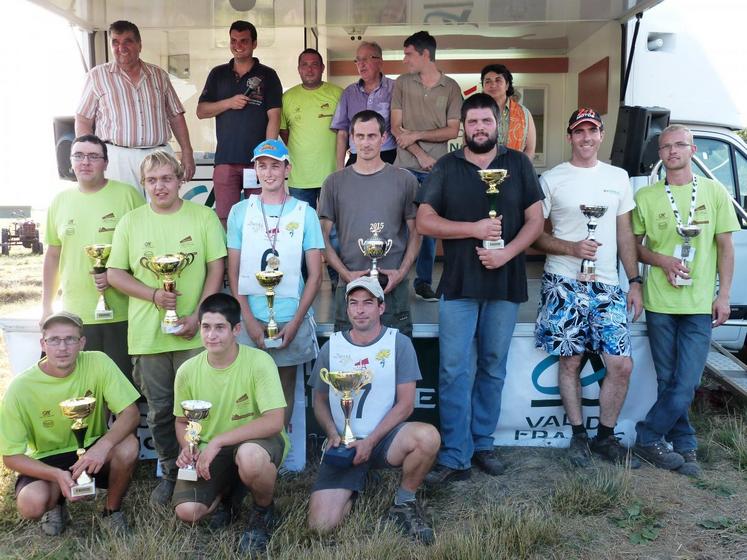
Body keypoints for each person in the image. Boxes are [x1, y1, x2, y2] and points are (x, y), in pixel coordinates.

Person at [416, 93, 544, 484]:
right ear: (464, 128)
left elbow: (535, 221)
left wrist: (507, 254)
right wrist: (471, 229)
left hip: (505, 282)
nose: (480, 128)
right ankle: (456, 454)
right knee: (455, 370)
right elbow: (424, 221)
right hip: (458, 284)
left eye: (486, 122)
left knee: (492, 367)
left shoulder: (518, 163)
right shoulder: (446, 166)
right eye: (472, 123)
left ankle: (483, 443)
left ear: (496, 125)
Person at [107, 150, 226, 506]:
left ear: (180, 180)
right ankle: (171, 472)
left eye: (166, 178)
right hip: (148, 334)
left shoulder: (203, 216)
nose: (160, 186)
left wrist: (200, 317)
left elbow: (215, 270)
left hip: (195, 331)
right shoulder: (130, 222)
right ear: (144, 184)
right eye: (152, 180)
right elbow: (114, 274)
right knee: (160, 410)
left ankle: (204, 470)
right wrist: (154, 295)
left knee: (197, 406)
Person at [532, 108, 643, 467]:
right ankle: (579, 436)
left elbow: (625, 233)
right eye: (579, 131)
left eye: (592, 131)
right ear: (569, 137)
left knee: (620, 364)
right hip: (563, 282)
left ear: (601, 135)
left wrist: (635, 280)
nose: (586, 138)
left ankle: (606, 438)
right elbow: (535, 234)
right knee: (570, 361)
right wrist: (572, 248)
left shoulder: (619, 177)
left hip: (608, 285)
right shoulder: (551, 179)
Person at [632, 124, 739, 476]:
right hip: (660, 303)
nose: (672, 151)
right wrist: (661, 261)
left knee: (688, 381)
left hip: (698, 304)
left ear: (692, 150)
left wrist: (723, 296)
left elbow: (725, 247)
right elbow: (632, 246)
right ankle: (685, 445)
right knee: (667, 380)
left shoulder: (714, 191)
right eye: (666, 147)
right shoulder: (647, 197)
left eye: (680, 145)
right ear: (660, 154)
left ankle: (648, 435)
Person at [307, 276, 439, 544]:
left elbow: (405, 404)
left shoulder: (398, 343)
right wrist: (333, 433)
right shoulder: (332, 346)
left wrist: (371, 442)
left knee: (427, 437)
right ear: (347, 309)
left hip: (383, 440)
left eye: (368, 303)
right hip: (344, 444)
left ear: (381, 308)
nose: (360, 309)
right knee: (320, 527)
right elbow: (319, 399)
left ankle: (404, 502)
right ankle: (357, 483)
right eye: (353, 303)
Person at [0, 312, 140, 535]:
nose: (62, 347)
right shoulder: (20, 388)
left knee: (128, 446)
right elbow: (11, 457)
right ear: (43, 344)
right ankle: (56, 504)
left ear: (82, 343)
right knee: (31, 504)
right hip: (46, 458)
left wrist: (102, 447)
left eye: (70, 339)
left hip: (92, 449)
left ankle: (111, 512)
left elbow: (131, 414)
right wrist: (56, 475)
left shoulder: (99, 362)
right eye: (54, 340)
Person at [172, 294, 288, 554]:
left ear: (236, 329)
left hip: (255, 443)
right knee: (188, 511)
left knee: (249, 457)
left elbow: (274, 421)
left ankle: (262, 512)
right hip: (210, 449)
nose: (211, 335)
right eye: (206, 327)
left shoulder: (259, 362)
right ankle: (228, 493)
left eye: (220, 327)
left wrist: (218, 440)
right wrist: (189, 447)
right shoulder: (187, 370)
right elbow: (182, 422)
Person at [227, 139, 324, 426]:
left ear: (287, 169)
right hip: (251, 317)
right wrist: (247, 319)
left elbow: (316, 275)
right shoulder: (240, 211)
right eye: (262, 166)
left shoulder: (305, 213)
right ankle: (248, 460)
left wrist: (295, 323)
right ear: (255, 170)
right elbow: (233, 272)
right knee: (246, 392)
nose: (268, 173)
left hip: (290, 318)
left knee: (283, 393)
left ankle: (274, 461)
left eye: (275, 166)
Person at [42, 135, 145, 381]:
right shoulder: (59, 201)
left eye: (93, 156)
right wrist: (46, 307)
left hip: (121, 312)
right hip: (74, 315)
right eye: (79, 156)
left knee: (121, 388)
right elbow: (53, 255)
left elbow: (142, 249)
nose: (85, 162)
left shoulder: (127, 195)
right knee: (83, 392)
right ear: (71, 162)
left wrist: (118, 277)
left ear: (106, 163)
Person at [319, 110, 420, 337]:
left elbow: (416, 233)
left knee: (396, 364)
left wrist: (401, 273)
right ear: (352, 139)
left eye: (372, 136)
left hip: (392, 287)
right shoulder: (334, 183)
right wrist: (345, 274)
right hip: (350, 289)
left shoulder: (405, 180)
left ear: (384, 138)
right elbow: (321, 237)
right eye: (360, 136)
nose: (366, 143)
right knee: (347, 366)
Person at [75, 20, 195, 194]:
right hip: (117, 156)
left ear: (139, 45)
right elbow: (83, 119)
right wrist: (88, 155)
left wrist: (187, 152)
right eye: (115, 42)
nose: (121, 47)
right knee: (121, 210)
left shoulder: (158, 75)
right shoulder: (97, 76)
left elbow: (176, 116)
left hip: (159, 155)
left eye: (127, 41)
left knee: (162, 211)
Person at [391, 31, 462, 303]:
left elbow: (453, 130)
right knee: (399, 224)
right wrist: (419, 153)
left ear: (425, 55)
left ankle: (423, 282)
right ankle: (394, 278)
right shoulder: (402, 83)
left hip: (436, 169)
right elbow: (397, 128)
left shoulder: (452, 87)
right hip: (405, 166)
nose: (404, 59)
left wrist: (416, 135)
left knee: (429, 227)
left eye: (408, 54)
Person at [196, 20, 283, 228]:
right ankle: (229, 261)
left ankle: (258, 260)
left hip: (257, 162)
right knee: (226, 219)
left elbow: (275, 117)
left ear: (254, 43)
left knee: (261, 217)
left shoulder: (268, 75)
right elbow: (201, 111)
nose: (238, 45)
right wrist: (229, 102)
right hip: (226, 159)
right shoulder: (218, 74)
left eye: (244, 41)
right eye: (233, 40)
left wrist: (267, 156)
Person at [279, 48, 342, 209]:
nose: (309, 69)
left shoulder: (338, 94)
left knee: (333, 229)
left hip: (332, 175)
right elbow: (284, 131)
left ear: (322, 68)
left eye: (314, 64)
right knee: (302, 228)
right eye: (304, 65)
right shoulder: (287, 98)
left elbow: (346, 132)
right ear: (299, 69)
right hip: (300, 177)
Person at [330, 41, 397, 169]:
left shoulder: (394, 88)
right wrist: (340, 169)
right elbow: (342, 133)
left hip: (388, 156)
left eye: (366, 59)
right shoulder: (349, 93)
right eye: (357, 60)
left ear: (380, 62)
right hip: (356, 157)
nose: (361, 64)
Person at [480, 64, 537, 160]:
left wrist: (520, 169)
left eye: (498, 80)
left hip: (516, 170)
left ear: (507, 85)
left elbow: (530, 149)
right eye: (488, 81)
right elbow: (467, 145)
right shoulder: (475, 112)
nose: (493, 85)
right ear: (483, 87)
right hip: (483, 171)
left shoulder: (524, 113)